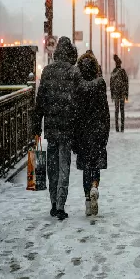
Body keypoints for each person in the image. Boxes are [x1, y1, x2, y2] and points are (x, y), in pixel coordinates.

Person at [33, 36, 81, 220]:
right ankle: (61, 204)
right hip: (67, 128)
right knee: (64, 167)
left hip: (51, 128)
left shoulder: (47, 71)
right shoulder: (73, 72)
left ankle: (53, 202)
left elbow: (40, 102)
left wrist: (37, 125)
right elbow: (77, 103)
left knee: (52, 167)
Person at [74, 52, 110, 216]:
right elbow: (105, 112)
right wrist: (105, 133)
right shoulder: (100, 84)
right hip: (97, 131)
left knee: (86, 168)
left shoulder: (78, 85)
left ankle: (88, 200)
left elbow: (74, 112)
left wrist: (74, 136)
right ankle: (95, 186)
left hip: (82, 132)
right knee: (95, 165)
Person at [110, 54, 129, 132]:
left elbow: (111, 84)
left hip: (116, 94)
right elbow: (126, 83)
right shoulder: (123, 72)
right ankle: (122, 127)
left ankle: (117, 127)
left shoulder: (114, 72)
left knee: (117, 110)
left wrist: (112, 95)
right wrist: (126, 94)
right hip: (121, 94)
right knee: (122, 110)